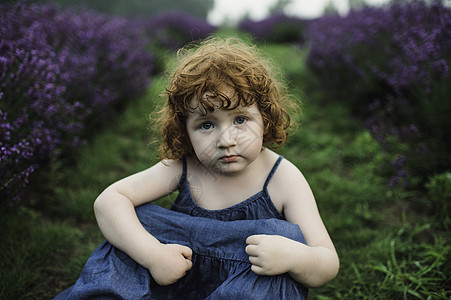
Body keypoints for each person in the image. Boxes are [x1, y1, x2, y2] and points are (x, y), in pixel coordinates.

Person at [55, 36, 339, 299]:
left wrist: (294, 257)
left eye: (240, 120)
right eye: (206, 125)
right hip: (174, 277)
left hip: (245, 285)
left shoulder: (283, 177)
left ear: (265, 117)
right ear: (185, 131)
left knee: (285, 243)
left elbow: (327, 261)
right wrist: (153, 255)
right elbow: (109, 201)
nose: (226, 140)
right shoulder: (184, 166)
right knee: (133, 224)